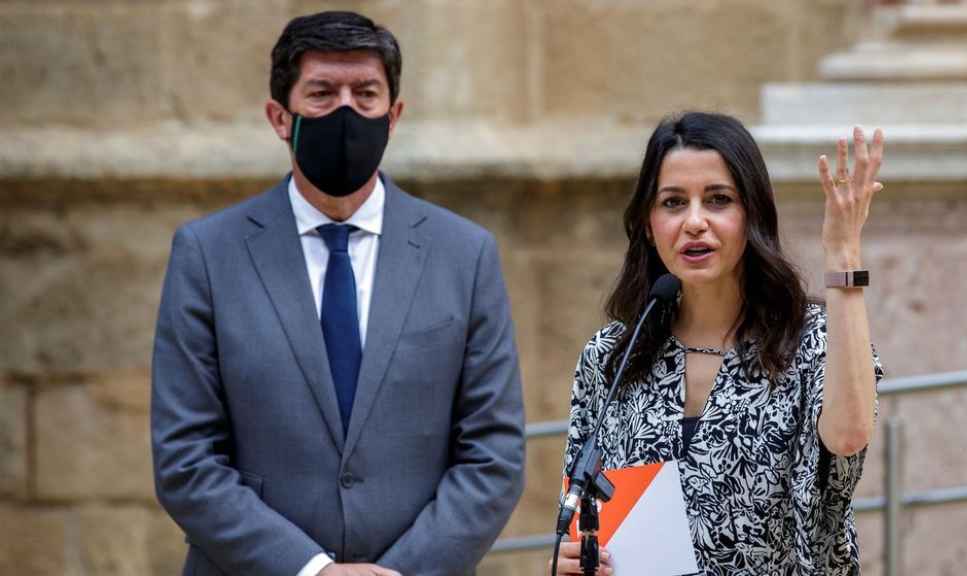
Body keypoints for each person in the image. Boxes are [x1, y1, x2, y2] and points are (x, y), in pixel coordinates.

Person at [151, 11, 525, 576]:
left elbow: (494, 456)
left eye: (366, 94)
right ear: (280, 117)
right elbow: (185, 460)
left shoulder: (464, 255)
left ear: (393, 115)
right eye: (322, 93)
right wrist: (313, 570)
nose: (347, 111)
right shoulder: (208, 254)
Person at [554, 112, 885, 575]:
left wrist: (844, 252)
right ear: (648, 225)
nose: (694, 222)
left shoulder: (810, 340)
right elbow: (581, 519)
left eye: (718, 200)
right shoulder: (611, 356)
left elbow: (849, 437)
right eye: (672, 203)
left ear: (751, 215)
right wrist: (571, 561)